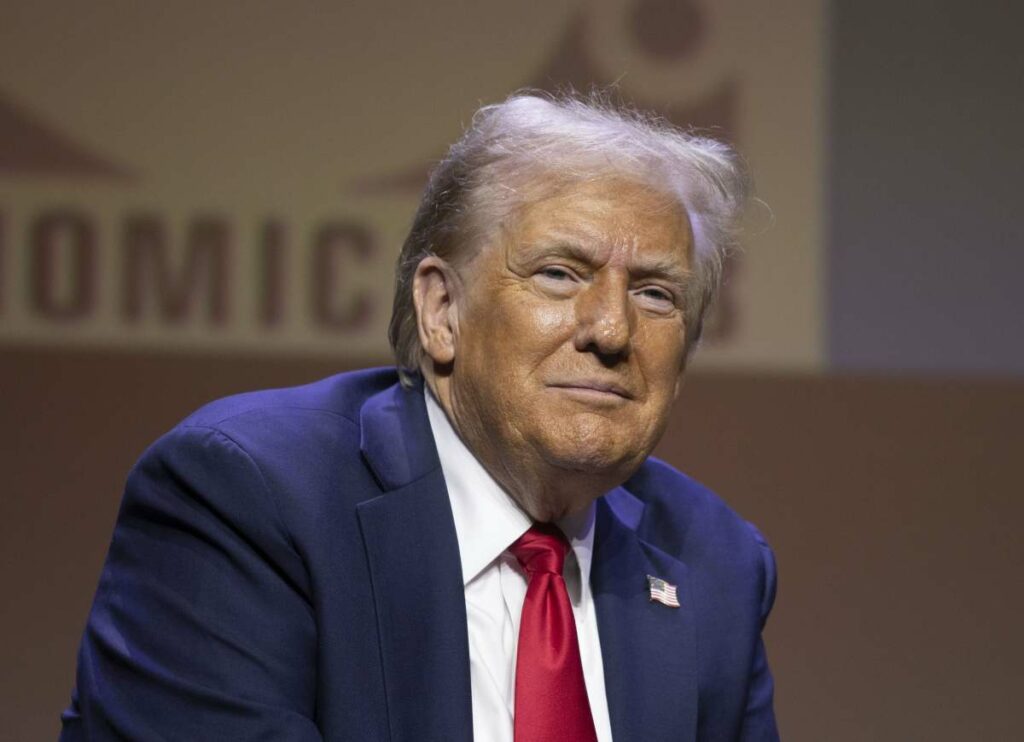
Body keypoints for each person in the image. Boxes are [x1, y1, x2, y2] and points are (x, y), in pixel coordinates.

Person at [60, 92, 778, 741]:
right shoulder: (249, 497)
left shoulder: (715, 563)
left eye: (656, 295)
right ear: (441, 310)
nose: (613, 331)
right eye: (560, 274)